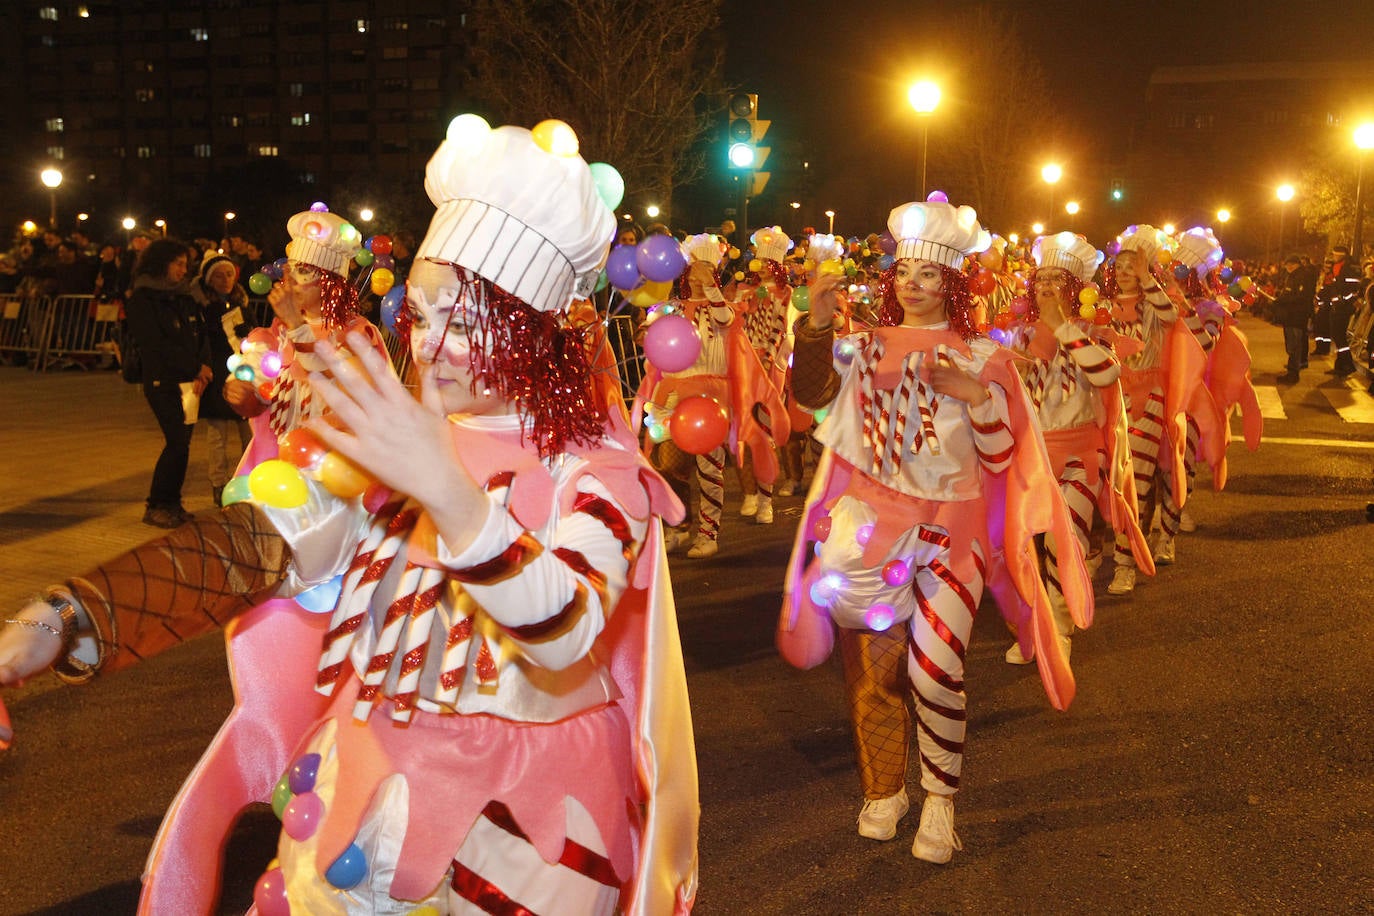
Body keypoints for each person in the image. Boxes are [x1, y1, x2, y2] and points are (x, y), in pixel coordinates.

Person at [0, 118, 698, 914]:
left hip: (533, 825)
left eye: (463, 322)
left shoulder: (597, 474)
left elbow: (569, 626)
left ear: (538, 337)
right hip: (361, 793)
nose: (431, 345)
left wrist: (446, 490)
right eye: (424, 316)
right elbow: (265, 544)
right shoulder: (389, 441)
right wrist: (67, 616)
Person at [777, 200, 1091, 865]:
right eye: (904, 272)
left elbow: (1004, 457)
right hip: (870, 530)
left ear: (950, 282)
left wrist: (977, 399)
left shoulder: (984, 356)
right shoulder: (861, 348)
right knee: (871, 675)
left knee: (935, 669)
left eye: (928, 273)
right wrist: (811, 324)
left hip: (953, 532)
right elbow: (807, 400)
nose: (912, 283)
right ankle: (883, 791)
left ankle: (941, 801)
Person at [1003, 231, 1151, 663]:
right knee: (1026, 546)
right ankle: (1034, 626)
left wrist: (1064, 328)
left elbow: (1107, 374)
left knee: (1062, 540)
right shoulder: (1015, 333)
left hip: (1080, 456)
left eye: (1058, 280)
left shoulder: (1092, 331)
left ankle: (1059, 630)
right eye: (1041, 279)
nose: (1047, 286)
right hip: (1029, 458)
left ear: (1075, 288)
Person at [640, 233, 787, 558]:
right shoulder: (673, 309)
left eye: (704, 270)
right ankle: (678, 527)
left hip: (711, 396)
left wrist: (711, 289)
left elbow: (726, 319)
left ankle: (708, 533)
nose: (697, 276)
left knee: (710, 469)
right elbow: (651, 334)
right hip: (675, 394)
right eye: (693, 270)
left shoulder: (724, 309)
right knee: (667, 464)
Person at [1102, 225, 1180, 596]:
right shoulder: (1101, 305)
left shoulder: (1155, 303)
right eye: (1119, 266)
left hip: (1148, 397)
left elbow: (1171, 317)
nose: (1124, 272)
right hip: (1109, 397)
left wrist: (1149, 277)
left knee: (1138, 482)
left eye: (1133, 266)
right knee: (1109, 481)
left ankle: (1125, 564)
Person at [123, 237, 212, 528]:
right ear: (161, 263)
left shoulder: (184, 296)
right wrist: (194, 366)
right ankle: (157, 503)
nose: (183, 270)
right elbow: (155, 344)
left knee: (183, 443)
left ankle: (172, 501)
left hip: (191, 383)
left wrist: (204, 366)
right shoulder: (143, 299)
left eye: (186, 264)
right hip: (163, 381)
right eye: (178, 263)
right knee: (175, 441)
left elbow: (199, 334)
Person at [192, 253, 255, 505]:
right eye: (218, 275)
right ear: (208, 279)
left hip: (242, 374)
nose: (225, 280)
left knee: (248, 433)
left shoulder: (242, 302)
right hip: (217, 374)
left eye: (229, 274)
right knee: (217, 435)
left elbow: (255, 334)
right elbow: (200, 339)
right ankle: (218, 483)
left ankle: (247, 479)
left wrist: (248, 332)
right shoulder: (202, 307)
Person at [1274, 254, 1319, 384]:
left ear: (1294, 264)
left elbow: (1300, 296)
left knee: (1294, 344)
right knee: (1292, 344)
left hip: (1297, 315)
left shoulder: (1302, 276)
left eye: (1288, 265)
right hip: (1291, 315)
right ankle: (1293, 369)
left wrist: (1283, 300)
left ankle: (1293, 373)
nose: (1287, 267)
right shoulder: (1294, 275)